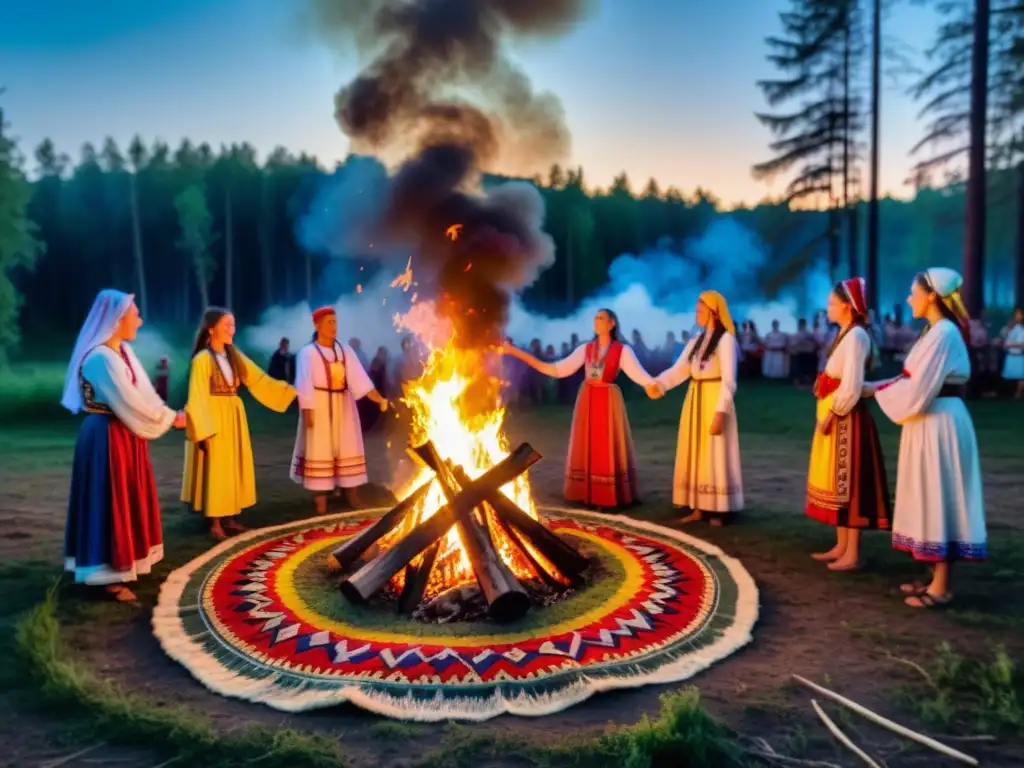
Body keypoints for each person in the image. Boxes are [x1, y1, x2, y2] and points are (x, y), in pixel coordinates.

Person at [863, 267, 986, 609]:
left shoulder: (943, 333)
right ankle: (935, 575)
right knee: (927, 491)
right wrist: (875, 387)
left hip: (939, 421)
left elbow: (918, 387)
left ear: (931, 295)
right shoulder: (935, 332)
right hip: (929, 419)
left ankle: (942, 587)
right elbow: (911, 378)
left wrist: (873, 392)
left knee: (939, 492)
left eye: (913, 292)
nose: (908, 298)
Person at [61, 290, 186, 601]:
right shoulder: (101, 357)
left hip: (124, 433)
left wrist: (169, 414)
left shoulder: (121, 353)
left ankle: (126, 561)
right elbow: (129, 402)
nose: (140, 321)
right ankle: (106, 573)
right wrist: (172, 419)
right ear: (117, 320)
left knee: (127, 495)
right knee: (109, 497)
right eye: (135, 314)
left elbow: (143, 394)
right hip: (106, 436)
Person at [501, 309, 658, 510]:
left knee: (606, 445)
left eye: (601, 318)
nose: (597, 321)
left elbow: (640, 375)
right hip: (588, 399)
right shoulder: (586, 349)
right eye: (595, 318)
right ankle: (587, 492)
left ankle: (608, 495)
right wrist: (516, 352)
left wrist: (654, 385)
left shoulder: (622, 351)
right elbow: (557, 369)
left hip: (607, 400)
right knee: (588, 444)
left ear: (612, 324)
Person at [181, 308, 297, 540]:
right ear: (211, 329)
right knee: (216, 469)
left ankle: (230, 518)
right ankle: (215, 522)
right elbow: (197, 396)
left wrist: (289, 391)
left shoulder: (234, 356)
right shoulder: (202, 360)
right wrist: (202, 431)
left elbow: (258, 379)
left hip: (233, 416)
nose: (231, 330)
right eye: (227, 325)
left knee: (233, 466)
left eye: (233, 325)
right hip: (213, 418)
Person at [806, 278, 891, 571]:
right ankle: (841, 545)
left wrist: (833, 414)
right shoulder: (845, 333)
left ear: (846, 305)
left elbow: (852, 385)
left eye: (831, 303)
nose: (827, 308)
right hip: (836, 414)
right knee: (835, 481)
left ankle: (852, 553)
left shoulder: (856, 336)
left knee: (848, 484)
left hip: (847, 419)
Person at [651, 291, 743, 526]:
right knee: (695, 452)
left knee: (715, 452)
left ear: (713, 312)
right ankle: (698, 506)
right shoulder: (696, 341)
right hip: (695, 400)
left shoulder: (726, 340)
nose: (697, 314)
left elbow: (730, 380)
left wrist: (721, 411)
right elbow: (680, 370)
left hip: (714, 399)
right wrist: (659, 384)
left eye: (700, 310)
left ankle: (719, 509)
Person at [291, 307, 388, 514]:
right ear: (317, 326)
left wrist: (379, 399)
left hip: (344, 405)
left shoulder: (346, 350)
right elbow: (304, 384)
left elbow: (360, 379)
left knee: (348, 447)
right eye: (329, 323)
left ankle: (351, 494)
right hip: (319, 406)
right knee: (320, 451)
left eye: (335, 322)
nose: (334, 327)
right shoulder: (307, 353)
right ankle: (321, 504)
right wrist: (308, 414)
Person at [1000, 308, 1024, 399]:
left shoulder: (1022, 330)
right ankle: (1012, 393)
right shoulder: (1011, 330)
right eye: (1016, 315)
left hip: (1019, 355)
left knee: (1021, 376)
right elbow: (1005, 341)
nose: (1018, 317)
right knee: (1010, 375)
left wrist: (1011, 344)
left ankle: (1019, 393)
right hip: (1011, 355)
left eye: (1020, 315)